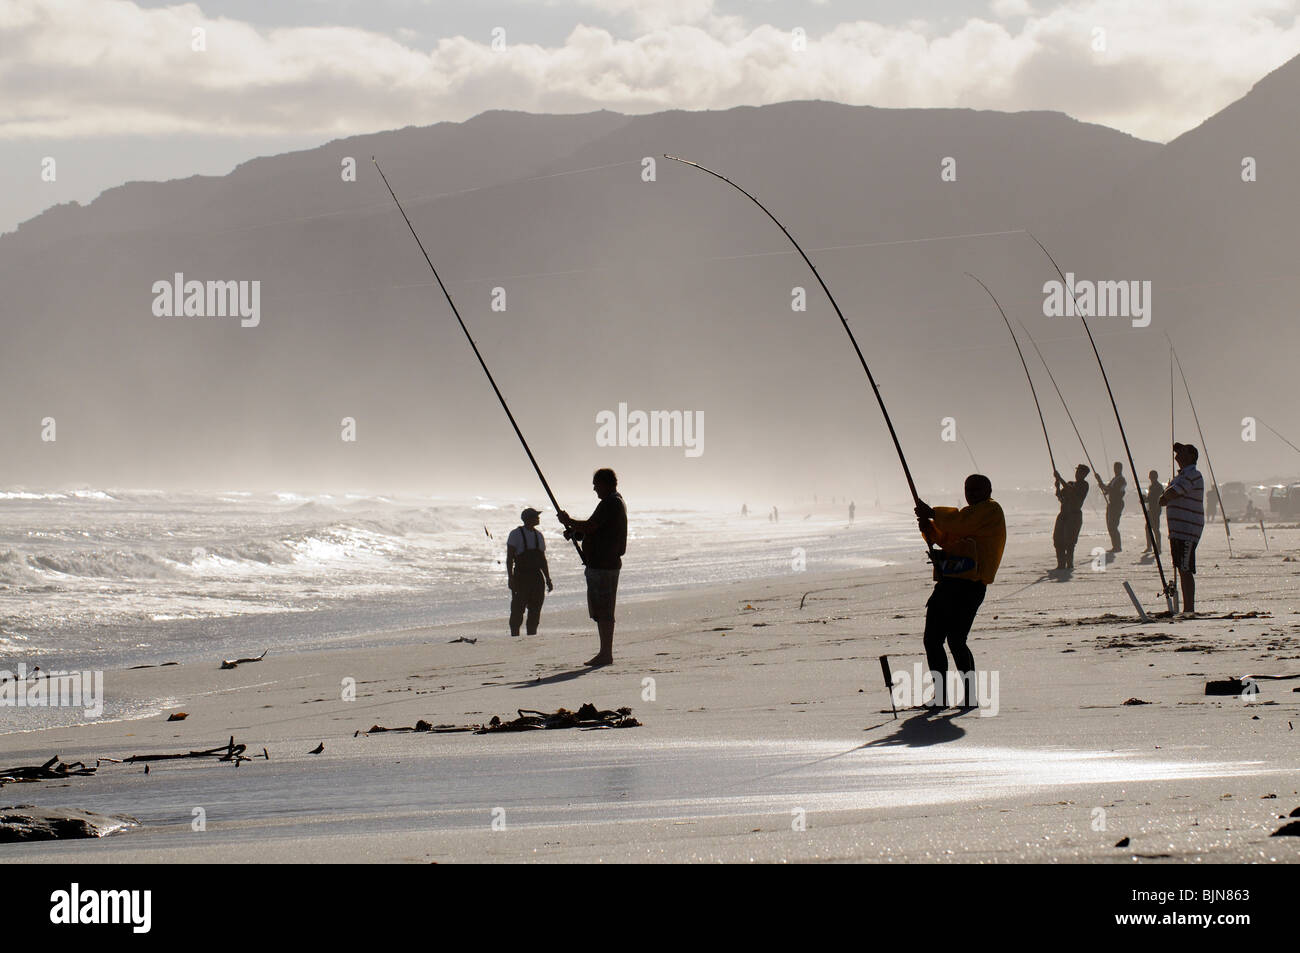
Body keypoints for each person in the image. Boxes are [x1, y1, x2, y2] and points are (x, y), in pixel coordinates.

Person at [915, 474, 1006, 709]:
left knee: (956, 640)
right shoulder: (969, 516)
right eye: (969, 489)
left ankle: (969, 695)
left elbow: (960, 523)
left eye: (977, 489)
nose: (972, 493)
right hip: (949, 583)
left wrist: (933, 513)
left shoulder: (990, 511)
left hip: (970, 586)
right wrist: (930, 528)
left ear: (989, 490)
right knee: (933, 640)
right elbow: (948, 538)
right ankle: (941, 695)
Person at [557, 468, 627, 667]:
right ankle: (605, 652)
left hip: (604, 565)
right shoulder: (613, 502)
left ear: (605, 484)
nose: (594, 488)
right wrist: (576, 533)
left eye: (596, 484)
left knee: (604, 610)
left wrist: (568, 521)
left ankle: (606, 654)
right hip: (603, 563)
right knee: (601, 609)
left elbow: (591, 526)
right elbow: (597, 530)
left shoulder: (611, 502)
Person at [1159, 443, 1205, 614]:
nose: (1177, 455)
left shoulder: (1193, 474)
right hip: (1177, 529)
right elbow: (1164, 499)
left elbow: (1170, 495)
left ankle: (1189, 609)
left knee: (1185, 568)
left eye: (1182, 451)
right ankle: (1186, 608)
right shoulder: (1179, 476)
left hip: (1188, 528)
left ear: (1191, 456)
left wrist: (1167, 494)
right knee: (1180, 566)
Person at [505, 508, 553, 637]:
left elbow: (542, 560)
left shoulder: (539, 535)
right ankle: (514, 636)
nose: (538, 518)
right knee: (517, 609)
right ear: (528, 519)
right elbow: (509, 559)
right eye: (535, 516)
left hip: (537, 577)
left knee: (535, 610)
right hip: (521, 576)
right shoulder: (515, 534)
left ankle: (531, 636)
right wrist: (511, 578)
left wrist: (548, 579)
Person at [1052, 465, 1090, 570]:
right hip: (1063, 514)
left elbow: (1072, 491)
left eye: (1080, 472)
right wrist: (1058, 487)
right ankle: (1061, 564)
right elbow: (1061, 498)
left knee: (1070, 542)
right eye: (1077, 471)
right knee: (1057, 540)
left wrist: (1060, 478)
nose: (1077, 474)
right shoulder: (1070, 483)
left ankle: (1069, 565)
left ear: (1084, 474)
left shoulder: (1084, 485)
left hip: (1074, 516)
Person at [1098, 462, 1126, 553]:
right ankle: (1115, 545)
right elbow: (1108, 489)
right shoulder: (1115, 479)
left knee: (1113, 525)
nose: (1115, 470)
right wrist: (1101, 484)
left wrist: (1100, 482)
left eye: (1117, 468)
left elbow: (1113, 490)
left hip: (1117, 504)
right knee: (1110, 526)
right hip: (1112, 504)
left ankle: (1117, 546)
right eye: (1114, 468)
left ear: (1120, 469)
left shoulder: (1121, 480)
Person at [1140, 469, 1164, 556]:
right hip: (1150, 510)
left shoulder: (1159, 486)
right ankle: (1149, 546)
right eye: (1150, 476)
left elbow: (1156, 498)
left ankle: (1158, 548)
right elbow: (1149, 499)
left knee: (1156, 529)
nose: (1151, 478)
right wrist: (1144, 499)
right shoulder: (1151, 486)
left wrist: (1146, 499)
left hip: (1156, 510)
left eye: (1152, 476)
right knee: (1148, 528)